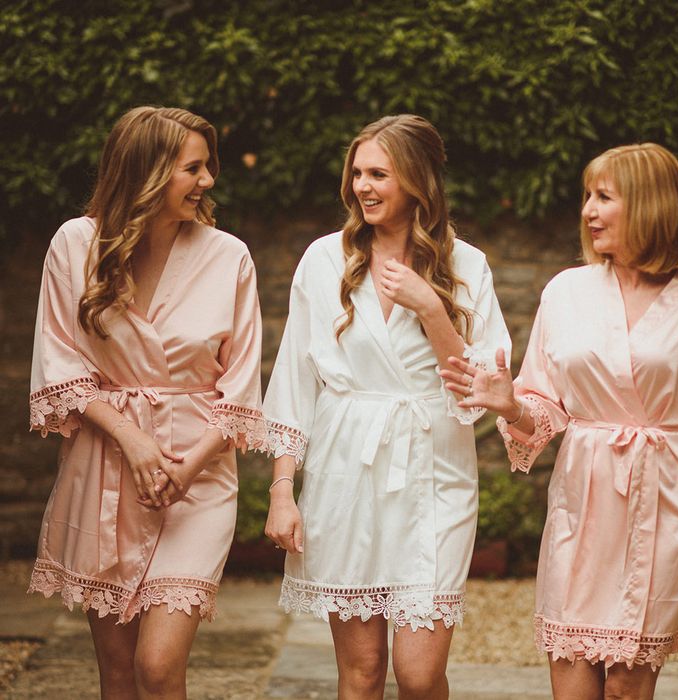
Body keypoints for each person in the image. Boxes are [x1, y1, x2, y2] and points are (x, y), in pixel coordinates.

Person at [441, 143, 678, 700]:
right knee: (571, 679)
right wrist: (510, 403)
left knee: (626, 687)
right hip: (585, 498)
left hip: (667, 501)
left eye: (605, 197)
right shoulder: (566, 291)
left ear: (651, 205)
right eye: (587, 196)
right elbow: (544, 405)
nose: (589, 210)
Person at [263, 114, 510, 699]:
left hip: (436, 468)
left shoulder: (466, 265)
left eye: (380, 175)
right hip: (345, 469)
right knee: (362, 669)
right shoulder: (324, 260)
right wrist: (281, 491)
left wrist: (431, 309)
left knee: (421, 676)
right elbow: (296, 381)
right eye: (358, 174)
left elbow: (480, 392)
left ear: (419, 182)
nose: (362, 188)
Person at [28, 106, 265, 698]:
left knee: (158, 667)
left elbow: (241, 386)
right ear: (147, 172)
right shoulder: (75, 245)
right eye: (193, 168)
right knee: (116, 670)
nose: (208, 181)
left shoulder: (228, 256)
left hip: (199, 474)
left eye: (207, 166)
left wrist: (190, 465)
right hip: (104, 470)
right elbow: (61, 363)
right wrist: (131, 439)